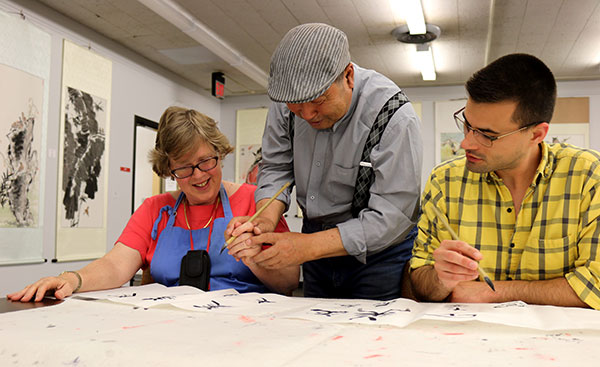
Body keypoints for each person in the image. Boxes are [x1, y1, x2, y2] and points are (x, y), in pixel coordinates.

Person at [8, 106, 299, 302]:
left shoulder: (256, 202)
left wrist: (253, 256)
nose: (198, 175)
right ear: (168, 169)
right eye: (183, 168)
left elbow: (288, 282)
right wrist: (73, 279)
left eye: (206, 161)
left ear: (220, 152)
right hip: (167, 332)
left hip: (246, 332)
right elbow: (116, 265)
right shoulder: (155, 210)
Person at [226, 23, 423, 300]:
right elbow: (276, 167)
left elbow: (392, 216)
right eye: (297, 106)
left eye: (319, 100)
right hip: (314, 246)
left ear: (349, 76)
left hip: (379, 255)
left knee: (373, 337)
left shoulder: (393, 117)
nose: (306, 114)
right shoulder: (287, 101)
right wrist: (264, 222)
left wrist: (307, 247)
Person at [410, 53, 600, 309]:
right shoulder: (445, 181)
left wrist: (494, 292)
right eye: (467, 125)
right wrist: (440, 279)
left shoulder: (589, 177)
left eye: (487, 135)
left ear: (536, 134)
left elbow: (595, 285)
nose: (466, 143)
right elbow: (420, 282)